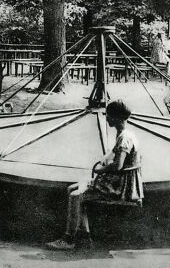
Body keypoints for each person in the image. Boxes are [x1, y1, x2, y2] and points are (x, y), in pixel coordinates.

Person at [47, 100, 142, 250]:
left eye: (109, 116)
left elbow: (118, 165)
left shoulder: (124, 138)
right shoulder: (126, 133)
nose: (107, 118)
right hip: (120, 182)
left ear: (117, 118)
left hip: (119, 187)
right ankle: (84, 236)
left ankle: (69, 239)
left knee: (76, 195)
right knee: (72, 189)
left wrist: (100, 171)